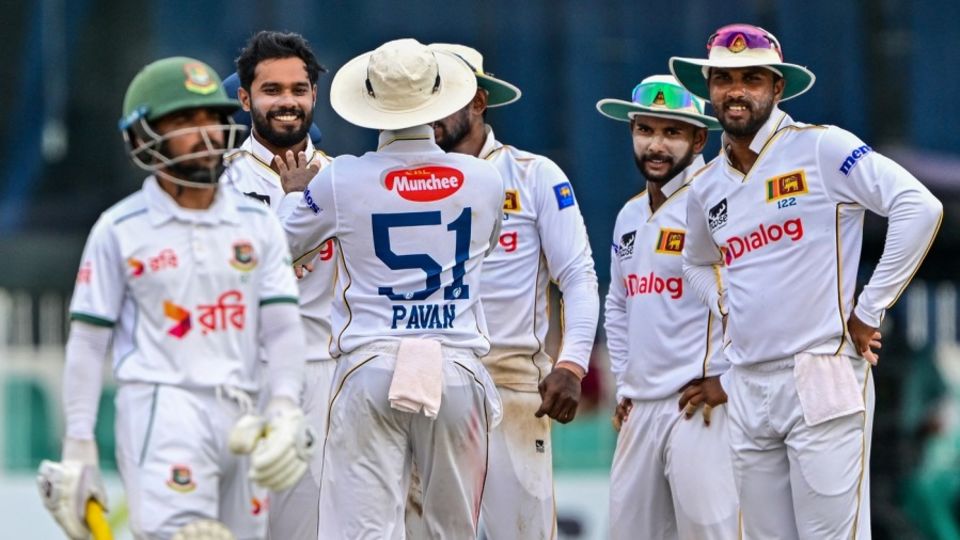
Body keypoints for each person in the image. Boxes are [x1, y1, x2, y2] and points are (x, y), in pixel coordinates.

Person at [672, 23, 943, 538]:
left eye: (752, 78)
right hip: (748, 382)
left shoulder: (822, 147)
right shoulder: (705, 187)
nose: (736, 91)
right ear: (709, 89)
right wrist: (725, 305)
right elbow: (694, 263)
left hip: (820, 371)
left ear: (777, 89)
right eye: (724, 79)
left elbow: (918, 207)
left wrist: (870, 309)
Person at [36, 57, 314, 540]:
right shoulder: (120, 229)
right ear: (142, 137)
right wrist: (78, 444)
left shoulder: (257, 223)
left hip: (244, 412)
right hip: (162, 410)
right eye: (184, 120)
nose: (205, 132)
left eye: (212, 118)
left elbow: (283, 327)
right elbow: (86, 342)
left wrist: (286, 406)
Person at [280, 39, 505, 538]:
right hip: (456, 366)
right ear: (439, 96)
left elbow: (281, 249)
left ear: (371, 101)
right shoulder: (484, 178)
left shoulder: (340, 178)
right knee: (456, 530)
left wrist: (294, 196)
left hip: (370, 366)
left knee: (362, 531)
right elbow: (485, 243)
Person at [408, 43, 599, 540]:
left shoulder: (533, 175)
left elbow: (577, 274)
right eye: (424, 96)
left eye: (446, 94)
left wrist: (571, 363)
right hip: (422, 383)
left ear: (478, 102)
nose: (432, 110)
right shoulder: (395, 179)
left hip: (511, 384)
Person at [597, 74, 738, 539]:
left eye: (672, 132)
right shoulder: (629, 214)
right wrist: (624, 385)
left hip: (698, 404)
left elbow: (756, 294)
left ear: (699, 138)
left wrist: (730, 377)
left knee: (711, 533)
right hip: (641, 408)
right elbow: (617, 304)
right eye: (645, 130)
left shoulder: (719, 201)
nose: (656, 145)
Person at [222, 30, 335, 540]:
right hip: (241, 375)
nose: (287, 102)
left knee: (308, 529)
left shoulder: (344, 179)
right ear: (246, 98)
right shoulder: (219, 180)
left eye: (298, 88)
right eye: (272, 90)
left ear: (314, 94)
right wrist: (295, 205)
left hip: (326, 377)